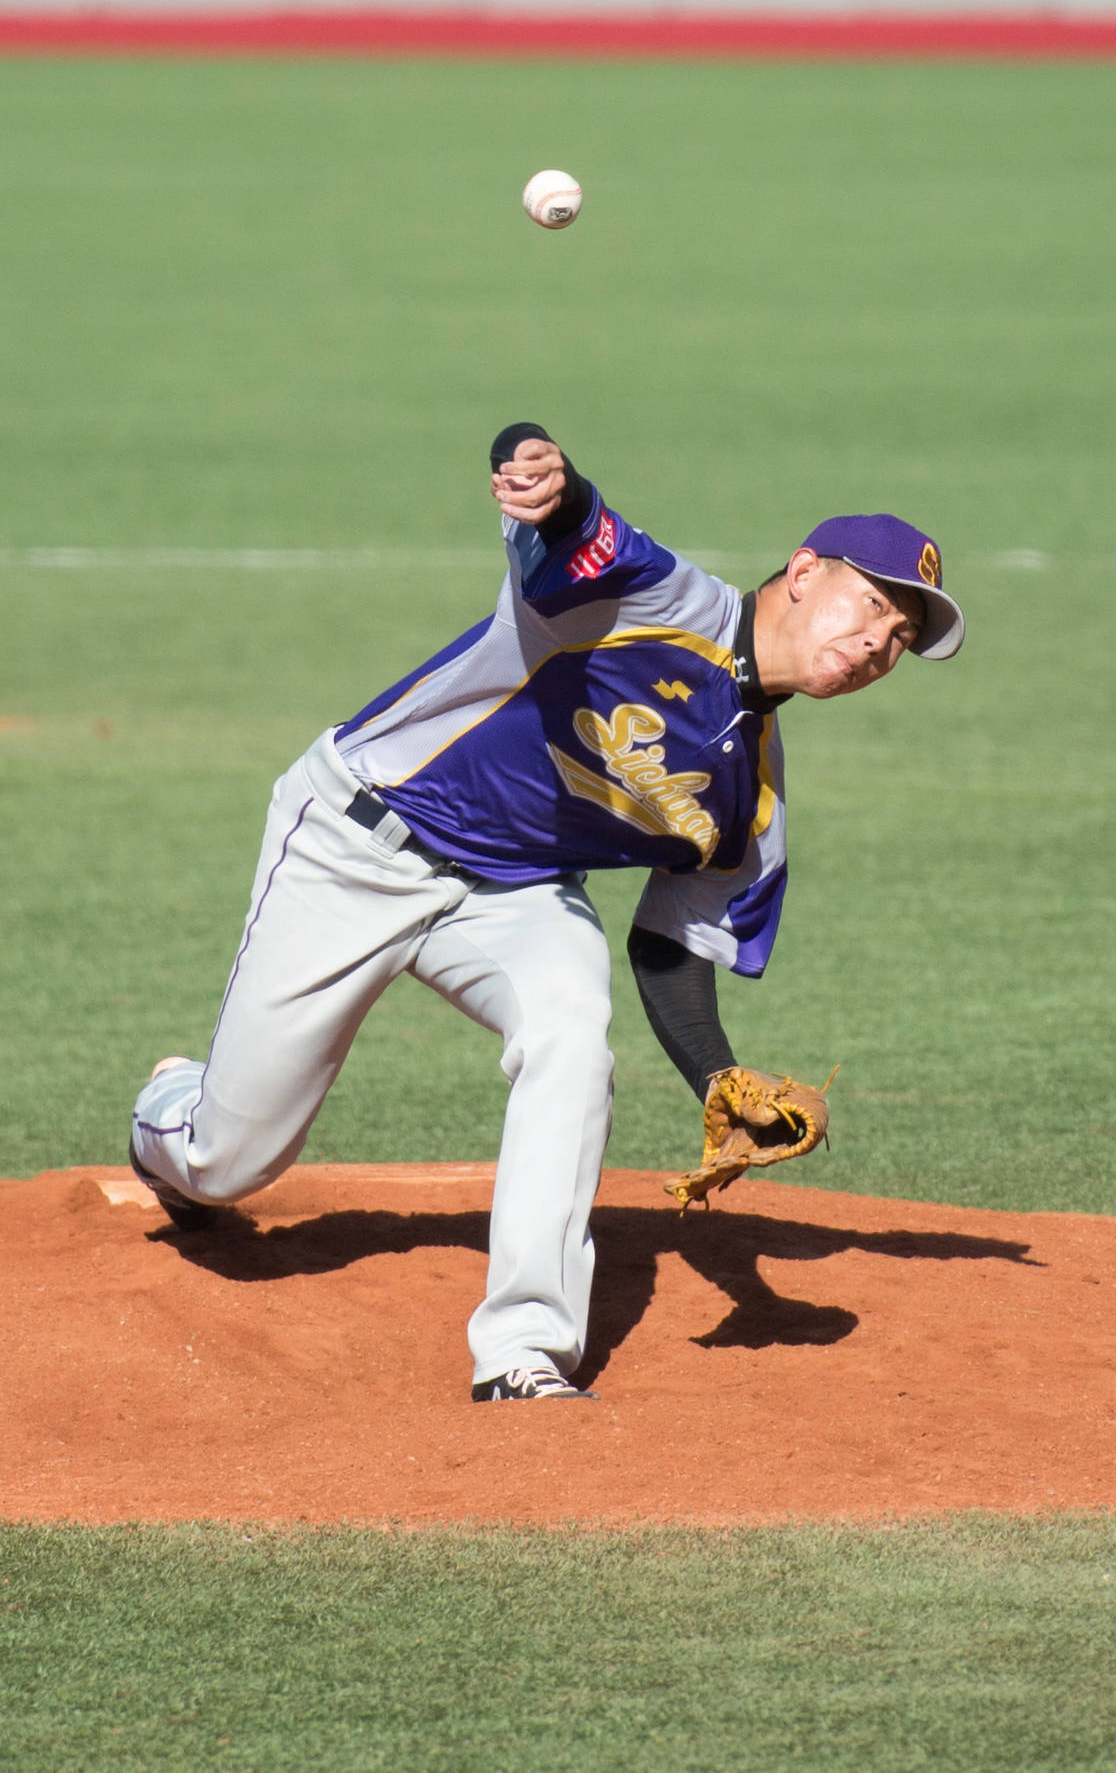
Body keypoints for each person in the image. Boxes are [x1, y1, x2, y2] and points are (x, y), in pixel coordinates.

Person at [127, 424, 962, 1400]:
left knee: (573, 1033)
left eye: (902, 636)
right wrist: (542, 468)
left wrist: (716, 1074)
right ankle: (170, 1107)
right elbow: (575, 528)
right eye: (874, 604)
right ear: (805, 570)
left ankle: (523, 1353)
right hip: (358, 838)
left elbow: (668, 947)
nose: (878, 641)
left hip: (514, 895)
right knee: (227, 1165)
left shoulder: (756, 804)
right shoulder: (662, 597)